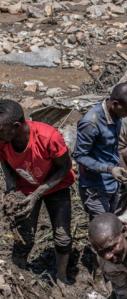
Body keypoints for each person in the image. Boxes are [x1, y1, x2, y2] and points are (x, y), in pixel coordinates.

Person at [0, 100, 74, 284]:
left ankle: (61, 277)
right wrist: (11, 188)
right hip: (26, 186)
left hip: (56, 186)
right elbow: (5, 162)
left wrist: (37, 194)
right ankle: (18, 273)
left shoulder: (48, 137)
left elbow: (65, 167)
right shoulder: (3, 141)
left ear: (16, 127)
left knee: (62, 237)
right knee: (24, 235)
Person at [73, 83, 127, 219]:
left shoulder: (117, 116)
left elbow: (113, 148)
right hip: (95, 187)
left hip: (113, 183)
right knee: (105, 227)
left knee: (112, 223)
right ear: (115, 104)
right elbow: (79, 156)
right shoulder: (91, 122)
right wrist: (109, 169)